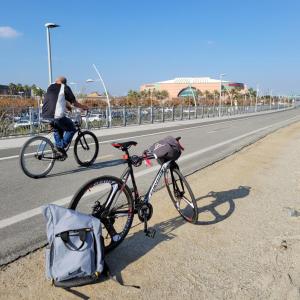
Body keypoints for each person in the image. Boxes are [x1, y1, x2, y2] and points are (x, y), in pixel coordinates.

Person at [42, 76, 88, 157]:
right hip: (56, 116)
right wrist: (84, 107)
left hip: (45, 115)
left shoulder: (50, 87)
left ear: (56, 81)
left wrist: (67, 106)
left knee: (58, 129)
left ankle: (59, 152)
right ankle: (60, 147)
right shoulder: (64, 87)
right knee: (72, 128)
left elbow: (57, 99)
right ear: (64, 82)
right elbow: (74, 103)